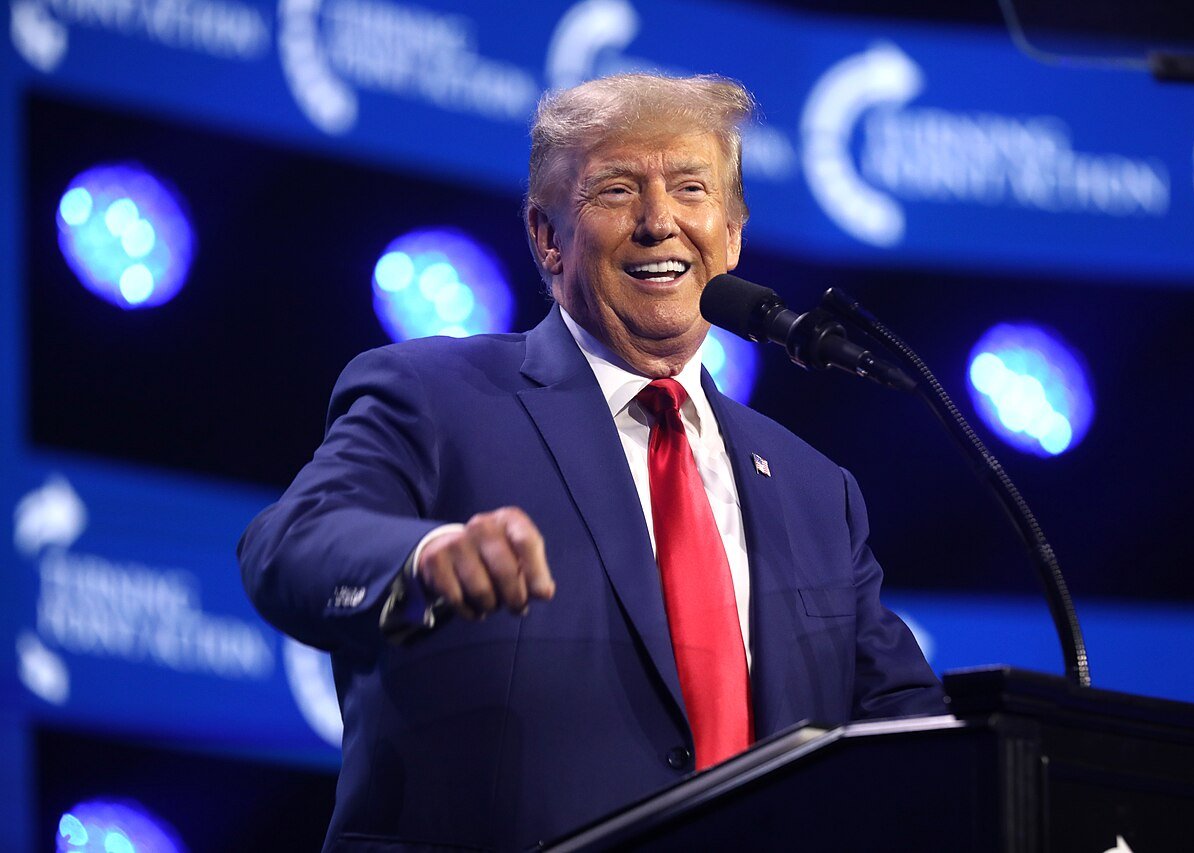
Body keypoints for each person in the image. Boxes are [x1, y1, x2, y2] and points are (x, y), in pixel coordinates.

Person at [239, 73, 945, 852]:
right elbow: (289, 545)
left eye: (691, 188)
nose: (659, 222)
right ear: (547, 235)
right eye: (617, 190)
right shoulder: (434, 396)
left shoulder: (817, 491)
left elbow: (914, 735)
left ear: (732, 234)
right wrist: (425, 558)